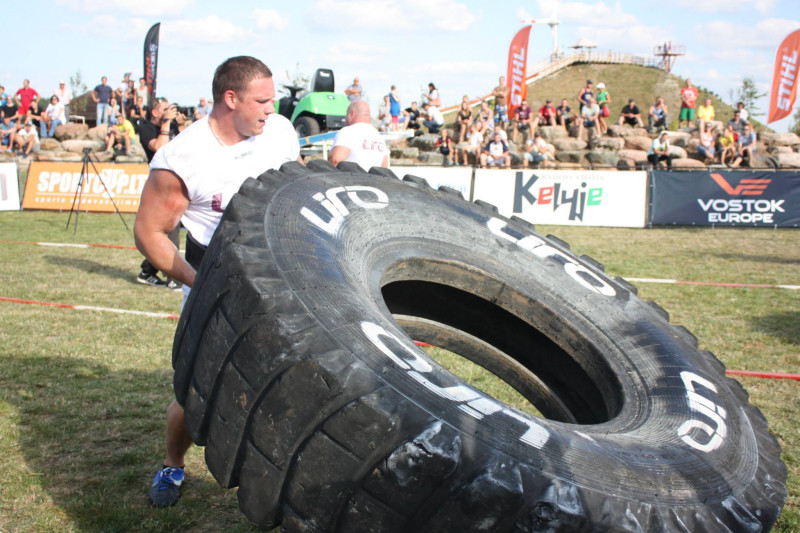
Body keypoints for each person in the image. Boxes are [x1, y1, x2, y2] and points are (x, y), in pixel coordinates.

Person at [134, 56, 301, 509]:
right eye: (263, 101)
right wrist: (201, 283)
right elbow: (149, 233)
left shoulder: (280, 132)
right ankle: (172, 465)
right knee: (198, 395)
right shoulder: (182, 158)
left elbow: (299, 188)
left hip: (282, 273)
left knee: (290, 382)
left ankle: (286, 474)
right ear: (231, 99)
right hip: (216, 276)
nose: (273, 109)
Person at [328, 100, 389, 170]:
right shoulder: (378, 137)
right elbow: (384, 166)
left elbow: (335, 160)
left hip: (350, 179)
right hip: (374, 180)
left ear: (352, 114)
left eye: (346, 115)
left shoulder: (348, 131)